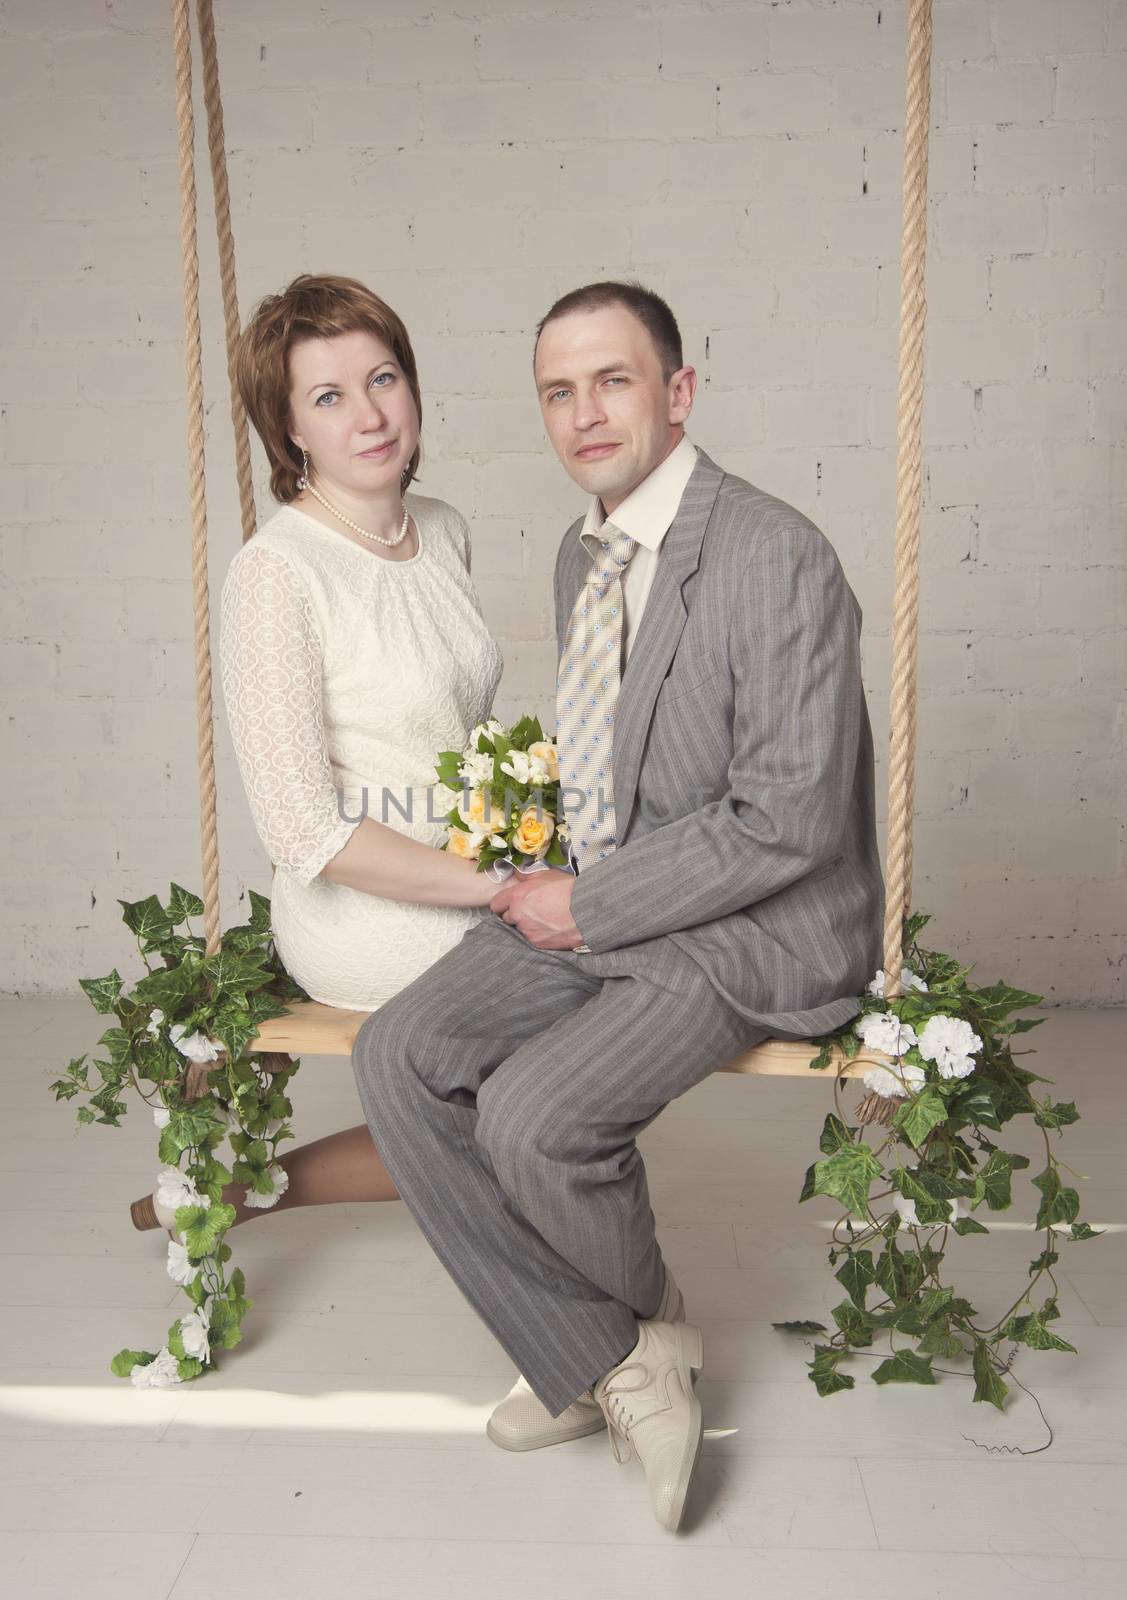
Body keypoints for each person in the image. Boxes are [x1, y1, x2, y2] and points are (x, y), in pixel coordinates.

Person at [349, 280, 884, 1532]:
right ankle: (609, 1354)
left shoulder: (773, 552)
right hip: (613, 890)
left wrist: (586, 903)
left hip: (752, 920)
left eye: (613, 380)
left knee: (534, 1114)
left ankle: (604, 1351)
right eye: (557, 390)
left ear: (677, 392)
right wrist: (552, 883)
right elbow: (613, 760)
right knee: (400, 1053)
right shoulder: (577, 550)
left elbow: (791, 815)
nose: (584, 413)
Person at [131, 272, 504, 1231]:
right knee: (553, 1075)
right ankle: (250, 1194)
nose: (369, 416)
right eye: (329, 397)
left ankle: (239, 1194)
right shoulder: (276, 573)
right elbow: (304, 832)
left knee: (570, 1080)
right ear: (291, 427)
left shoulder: (446, 532)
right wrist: (492, 886)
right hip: (364, 907)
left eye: (383, 379)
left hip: (467, 869)